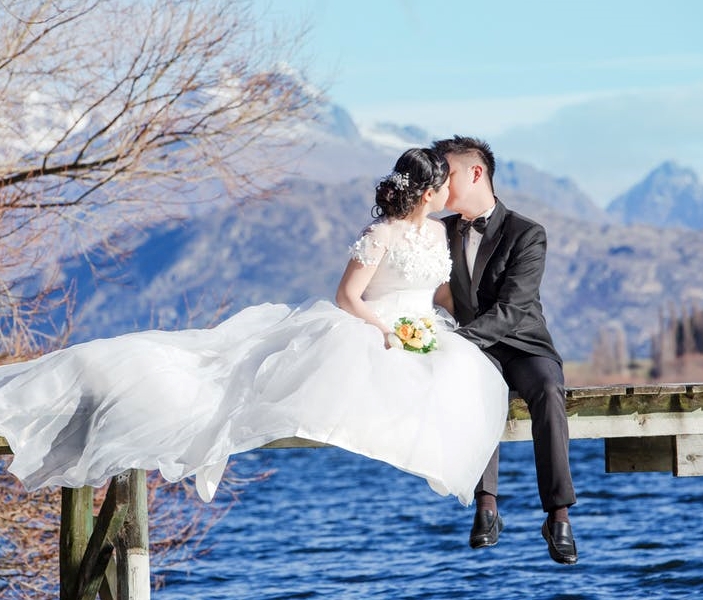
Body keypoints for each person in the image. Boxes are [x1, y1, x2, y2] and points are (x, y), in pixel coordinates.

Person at [0, 147, 508, 510]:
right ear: (427, 191)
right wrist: (386, 331)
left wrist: (439, 328)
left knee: (461, 382)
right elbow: (347, 297)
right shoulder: (379, 234)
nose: (450, 190)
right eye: (443, 183)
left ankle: (476, 497)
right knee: (239, 380)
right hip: (371, 325)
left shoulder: (440, 232)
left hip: (425, 330)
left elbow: (440, 292)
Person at [431, 136, 578, 565]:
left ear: (476, 173)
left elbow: (513, 309)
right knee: (474, 386)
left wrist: (459, 340)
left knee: (548, 389)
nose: (441, 184)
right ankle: (486, 507)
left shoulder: (527, 233)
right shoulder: (439, 232)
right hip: (476, 350)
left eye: (447, 174)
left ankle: (558, 514)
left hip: (524, 343)